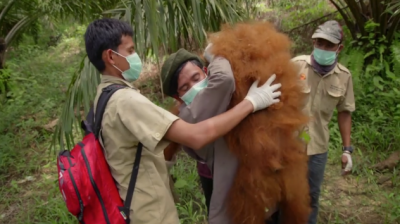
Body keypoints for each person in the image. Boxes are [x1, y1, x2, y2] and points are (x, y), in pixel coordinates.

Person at [84, 18, 282, 224]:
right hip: (149, 213)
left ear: (205, 73)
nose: (136, 56)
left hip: (133, 205)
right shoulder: (126, 101)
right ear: (110, 56)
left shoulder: (102, 97)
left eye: (196, 79)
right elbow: (196, 135)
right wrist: (251, 101)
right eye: (130, 50)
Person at [160, 46, 282, 224]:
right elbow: (224, 79)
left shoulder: (228, 95)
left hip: (262, 188)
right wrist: (216, 54)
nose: (196, 88)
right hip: (232, 204)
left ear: (205, 72)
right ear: (178, 98)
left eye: (196, 78)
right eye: (185, 88)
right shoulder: (188, 117)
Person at [292, 20, 355, 224]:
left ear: (339, 48)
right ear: (313, 42)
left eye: (328, 45)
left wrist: (347, 150)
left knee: (311, 197)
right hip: (288, 143)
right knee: (283, 192)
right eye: (319, 43)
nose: (323, 49)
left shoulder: (344, 77)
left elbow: (345, 112)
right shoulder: (296, 65)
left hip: (317, 147)